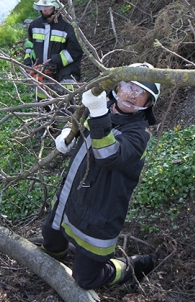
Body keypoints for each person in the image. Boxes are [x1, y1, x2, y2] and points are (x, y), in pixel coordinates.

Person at [40, 63, 161, 289]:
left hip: (100, 213)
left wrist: (97, 112)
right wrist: (68, 132)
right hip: (71, 196)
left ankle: (133, 265)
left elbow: (108, 155)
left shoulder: (139, 135)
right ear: (118, 86)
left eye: (141, 92)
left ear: (148, 102)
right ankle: (57, 257)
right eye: (128, 85)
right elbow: (79, 119)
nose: (132, 94)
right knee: (51, 239)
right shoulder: (102, 106)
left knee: (86, 279)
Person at [23, 0, 82, 98]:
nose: (43, 10)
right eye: (41, 6)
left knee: (66, 103)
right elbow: (29, 47)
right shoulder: (34, 25)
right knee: (43, 103)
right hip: (42, 73)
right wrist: (28, 64)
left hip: (66, 73)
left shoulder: (68, 26)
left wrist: (53, 61)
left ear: (56, 5)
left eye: (47, 7)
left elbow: (75, 52)